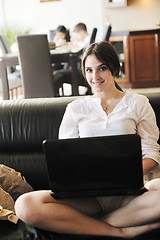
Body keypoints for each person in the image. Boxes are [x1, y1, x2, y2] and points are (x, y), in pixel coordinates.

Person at [15, 41, 160, 238]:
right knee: (24, 205)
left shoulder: (138, 103)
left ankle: (91, 225)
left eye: (102, 68)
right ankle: (118, 231)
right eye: (89, 70)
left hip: (129, 195)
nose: (95, 77)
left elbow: (152, 154)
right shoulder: (75, 109)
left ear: (114, 69)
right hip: (88, 198)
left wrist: (122, 173)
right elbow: (64, 159)